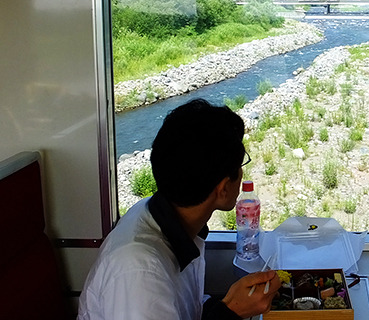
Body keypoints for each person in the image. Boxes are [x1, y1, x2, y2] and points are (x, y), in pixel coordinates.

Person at [78, 98, 280, 319]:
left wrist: (226, 305)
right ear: (222, 189)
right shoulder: (138, 273)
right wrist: (230, 312)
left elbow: (185, 308)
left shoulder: (162, 216)